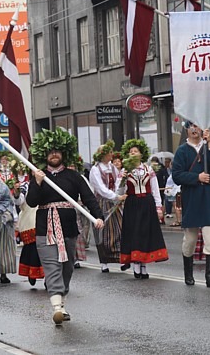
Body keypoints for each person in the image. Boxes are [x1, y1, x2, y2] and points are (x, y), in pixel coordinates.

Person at [27, 128, 105, 324]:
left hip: (68, 227)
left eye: (57, 151)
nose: (54, 154)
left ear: (63, 154)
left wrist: (98, 216)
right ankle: (56, 308)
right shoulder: (39, 175)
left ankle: (62, 301)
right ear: (44, 155)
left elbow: (88, 198)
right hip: (45, 228)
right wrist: (36, 182)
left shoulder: (74, 176)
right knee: (51, 266)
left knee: (67, 266)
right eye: (50, 152)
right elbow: (31, 202)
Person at [172, 121, 210, 288]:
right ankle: (188, 273)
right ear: (187, 129)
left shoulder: (209, 148)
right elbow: (177, 176)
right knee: (190, 239)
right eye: (191, 126)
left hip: (208, 197)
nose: (194, 129)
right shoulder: (181, 151)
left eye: (197, 126)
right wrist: (196, 178)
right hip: (192, 198)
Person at [118, 139, 169, 279]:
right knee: (134, 233)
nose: (133, 153)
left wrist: (159, 207)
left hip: (147, 203)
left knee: (145, 233)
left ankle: (144, 265)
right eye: (131, 152)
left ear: (141, 154)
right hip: (132, 204)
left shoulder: (149, 169)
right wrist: (121, 179)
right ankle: (136, 265)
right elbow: (119, 191)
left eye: (136, 151)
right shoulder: (125, 170)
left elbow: (155, 190)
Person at [89, 140, 125, 273]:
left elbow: (117, 182)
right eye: (109, 152)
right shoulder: (95, 169)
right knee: (102, 232)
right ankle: (104, 261)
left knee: (120, 229)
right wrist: (115, 196)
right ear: (103, 155)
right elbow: (100, 188)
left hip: (114, 202)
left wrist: (118, 194)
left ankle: (121, 258)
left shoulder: (112, 167)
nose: (112, 154)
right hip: (101, 203)